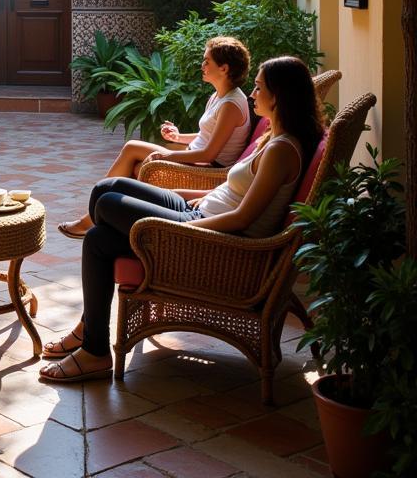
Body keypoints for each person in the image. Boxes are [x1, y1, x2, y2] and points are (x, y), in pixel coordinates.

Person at [40, 56, 323, 383]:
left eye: (259, 88)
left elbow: (242, 217)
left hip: (208, 236)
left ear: (279, 96)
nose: (252, 94)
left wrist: (181, 228)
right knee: (105, 204)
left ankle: (92, 345)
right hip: (201, 209)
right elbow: (233, 190)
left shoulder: (282, 150)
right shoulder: (274, 137)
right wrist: (183, 193)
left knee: (106, 206)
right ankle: (93, 343)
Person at [58, 36, 252, 239]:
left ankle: (91, 220)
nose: (202, 65)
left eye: (207, 61)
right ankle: (106, 220)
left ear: (224, 68)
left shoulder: (231, 105)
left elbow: (209, 152)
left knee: (132, 148)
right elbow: (208, 135)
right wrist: (178, 137)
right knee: (134, 165)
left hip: (210, 168)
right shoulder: (219, 96)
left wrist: (166, 156)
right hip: (196, 156)